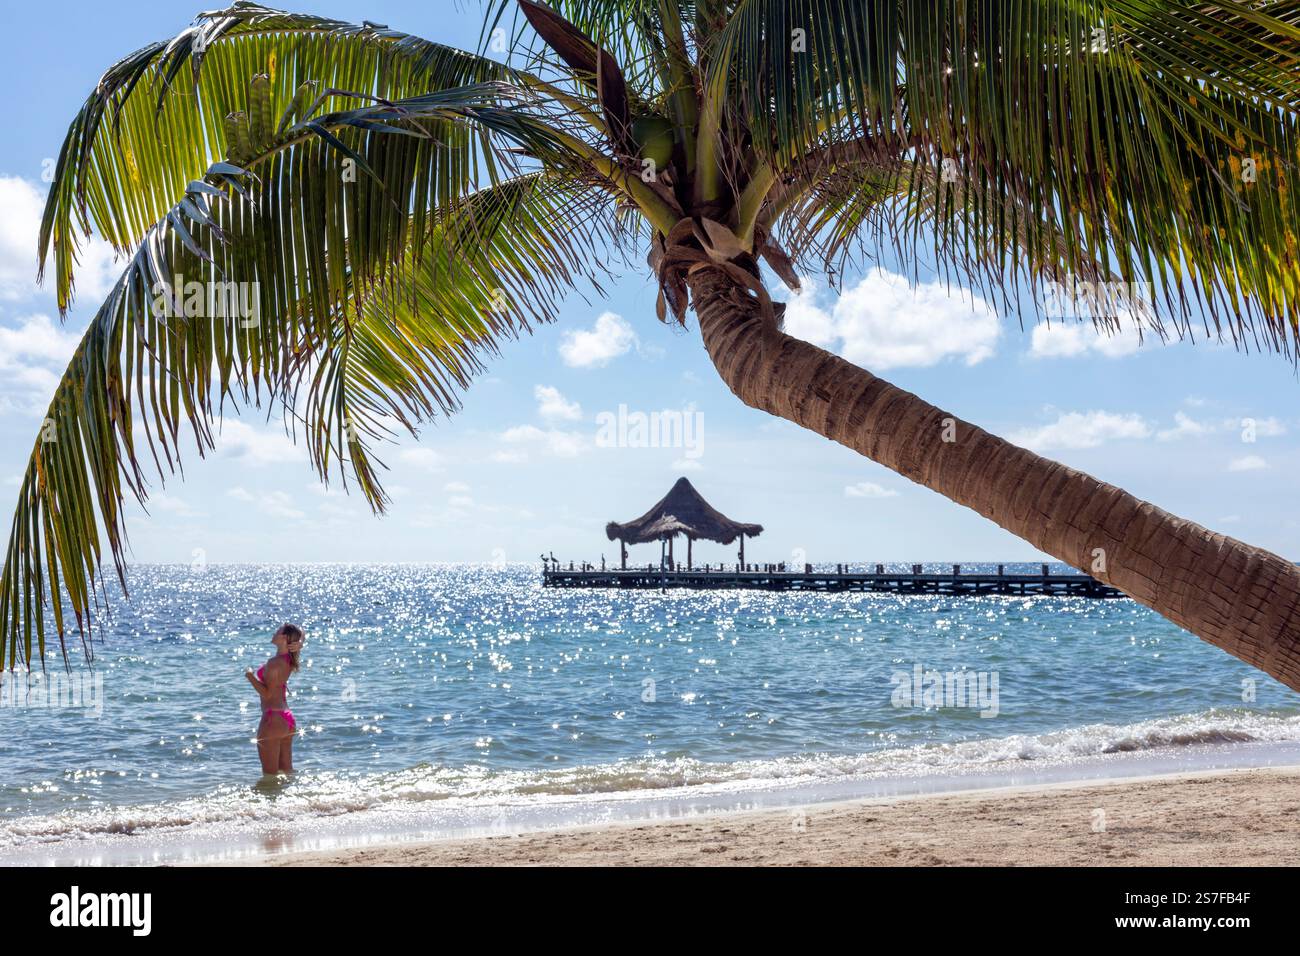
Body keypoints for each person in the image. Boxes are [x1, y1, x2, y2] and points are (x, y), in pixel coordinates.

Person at [245, 623, 304, 775]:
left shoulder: (274, 663)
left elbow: (267, 694)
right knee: (287, 772)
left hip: (272, 719)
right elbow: (299, 633)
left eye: (277, 631)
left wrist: (250, 676)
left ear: (284, 638)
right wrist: (301, 640)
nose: (274, 633)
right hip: (287, 719)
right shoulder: (289, 659)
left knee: (269, 776)